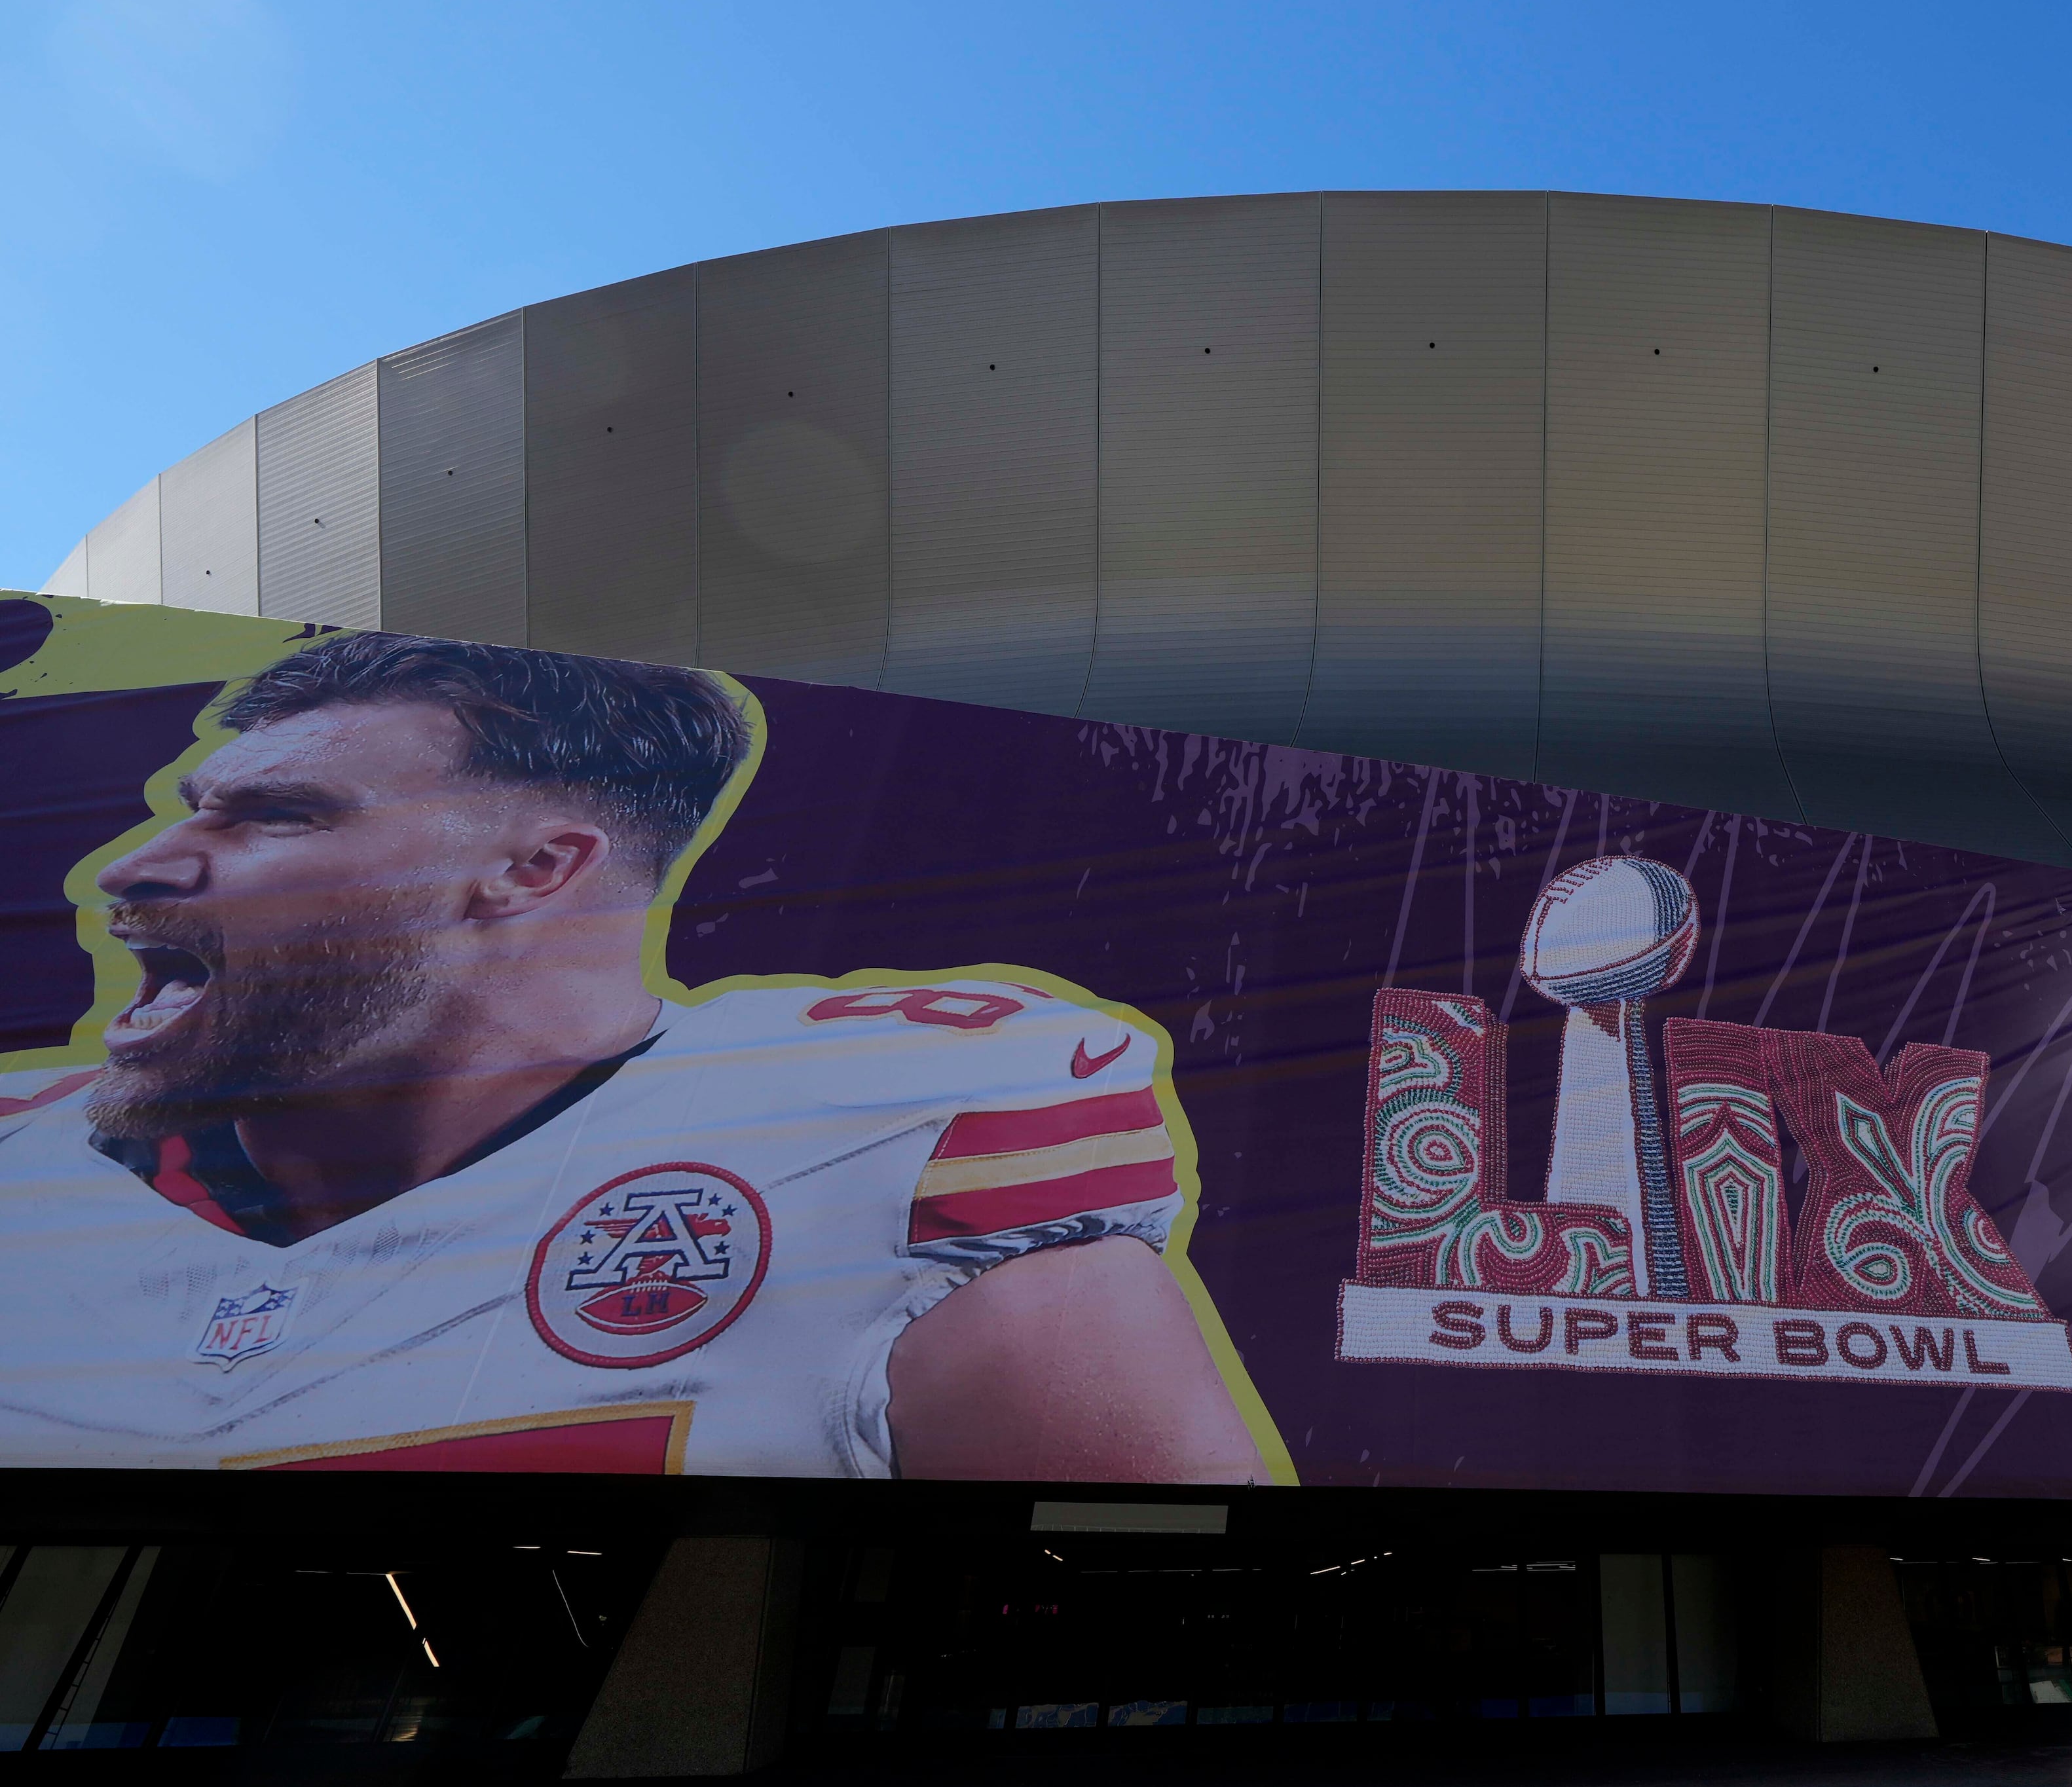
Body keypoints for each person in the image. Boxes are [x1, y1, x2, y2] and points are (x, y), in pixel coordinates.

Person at [0, 633, 1268, 1483]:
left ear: (534, 868)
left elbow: (1163, 1548)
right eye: (194, 807)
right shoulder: (28, 1161)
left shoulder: (887, 1136)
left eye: (277, 812)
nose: (135, 865)